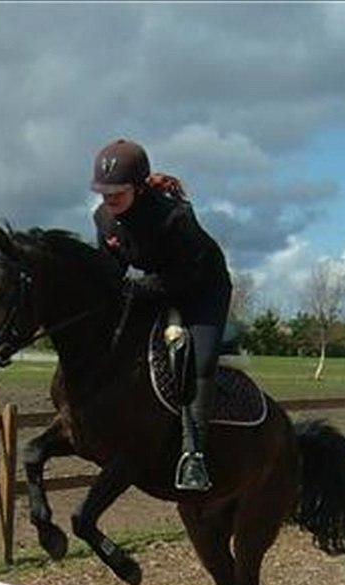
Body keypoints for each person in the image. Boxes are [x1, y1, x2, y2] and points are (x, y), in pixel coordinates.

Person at [91, 138, 232, 491]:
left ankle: (194, 455)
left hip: (203, 289)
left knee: (198, 359)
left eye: (117, 192)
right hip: (155, 285)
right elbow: (111, 274)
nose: (109, 200)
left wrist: (136, 290)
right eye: (103, 192)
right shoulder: (104, 219)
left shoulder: (173, 217)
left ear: (138, 188)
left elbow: (185, 275)